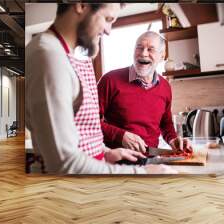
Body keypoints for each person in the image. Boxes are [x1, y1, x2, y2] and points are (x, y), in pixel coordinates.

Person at [26, 3, 177, 174]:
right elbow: (65, 163)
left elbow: (81, 133)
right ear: (81, 5)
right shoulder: (49, 57)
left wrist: (105, 153)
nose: (108, 30)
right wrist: (143, 173)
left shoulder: (63, 54)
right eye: (107, 19)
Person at [98, 31, 192, 154]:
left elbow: (165, 123)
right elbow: (90, 122)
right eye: (139, 48)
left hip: (151, 159)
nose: (143, 53)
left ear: (162, 55)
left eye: (150, 49)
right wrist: (120, 136)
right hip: (116, 161)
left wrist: (173, 140)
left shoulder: (165, 87)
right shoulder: (110, 80)